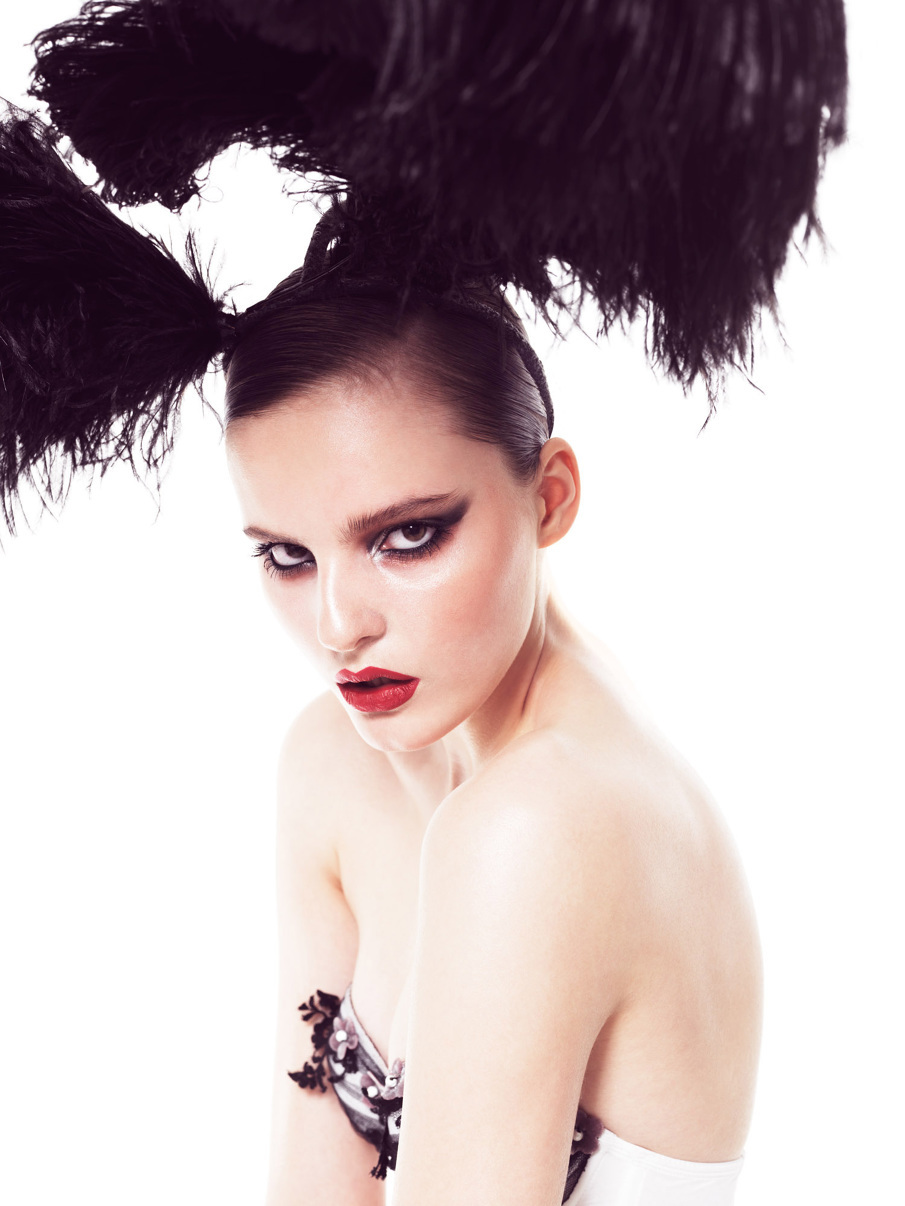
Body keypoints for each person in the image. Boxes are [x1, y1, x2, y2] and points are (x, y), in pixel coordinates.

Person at [0, 2, 847, 1203]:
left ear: (548, 494)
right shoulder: (335, 762)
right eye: (286, 555)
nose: (338, 623)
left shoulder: (547, 819)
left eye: (407, 536)